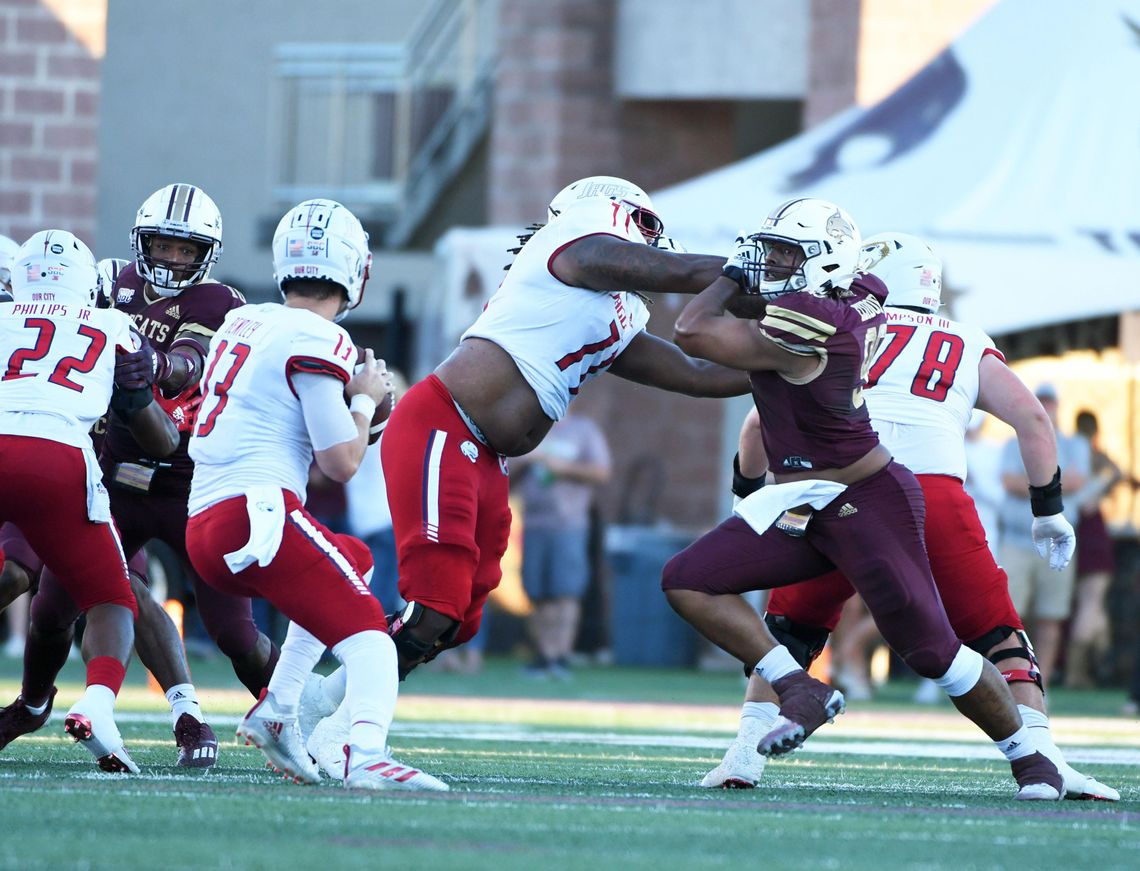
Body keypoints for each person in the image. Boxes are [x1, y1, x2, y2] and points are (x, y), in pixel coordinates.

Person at [299, 176, 751, 762]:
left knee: (456, 619)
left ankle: (321, 702)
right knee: (433, 603)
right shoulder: (570, 245)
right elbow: (681, 273)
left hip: (486, 455)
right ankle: (348, 740)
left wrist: (797, 365)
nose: (649, 244)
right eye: (643, 230)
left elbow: (697, 374)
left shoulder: (610, 309)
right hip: (445, 423)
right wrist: (770, 279)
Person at [662, 203, 1069, 800]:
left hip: (865, 500)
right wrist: (1049, 506)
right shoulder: (862, 310)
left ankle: (1034, 761)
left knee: (932, 651)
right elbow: (1029, 417)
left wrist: (727, 274)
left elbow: (696, 338)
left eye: (784, 254)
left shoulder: (818, 321)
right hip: (814, 497)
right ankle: (799, 693)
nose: (770, 264)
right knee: (688, 579)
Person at [185, 198, 446, 791]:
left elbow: (297, 424)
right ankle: (366, 754)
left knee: (352, 557)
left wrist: (361, 409)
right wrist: (364, 398)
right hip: (257, 516)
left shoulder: (243, 321)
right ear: (356, 270)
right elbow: (341, 463)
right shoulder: (321, 338)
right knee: (373, 640)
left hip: (206, 520)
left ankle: (279, 708)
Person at [1, 186, 256, 767]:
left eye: (183, 250)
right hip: (104, 468)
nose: (169, 260)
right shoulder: (107, 296)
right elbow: (154, 424)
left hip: (190, 478)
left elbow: (187, 366)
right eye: (160, 245)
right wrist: (140, 379)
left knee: (232, 631)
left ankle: (276, 711)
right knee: (74, 600)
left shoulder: (216, 301)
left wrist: (158, 368)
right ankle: (58, 704)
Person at [0, 230, 177, 772]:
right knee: (111, 598)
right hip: (60, 455)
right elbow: (161, 441)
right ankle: (97, 704)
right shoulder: (112, 324)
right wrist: (140, 393)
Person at [998, 383, 1089, 686]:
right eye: (1042, 401)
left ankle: (1043, 680)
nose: (1046, 407)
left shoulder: (1074, 444)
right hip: (1016, 539)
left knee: (1051, 615)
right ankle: (1009, 678)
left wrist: (1034, 481)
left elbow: (1078, 481)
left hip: (1056, 544)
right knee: (1008, 615)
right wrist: (1049, 483)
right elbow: (1009, 481)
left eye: (1050, 402)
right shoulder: (1013, 443)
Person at [515, 402, 612, 679]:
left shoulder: (584, 431)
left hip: (570, 525)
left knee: (565, 592)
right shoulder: (529, 431)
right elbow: (506, 473)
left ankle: (560, 655)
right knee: (536, 592)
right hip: (533, 524)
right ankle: (543, 655)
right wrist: (526, 460)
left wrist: (563, 467)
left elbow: (601, 472)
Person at [1065, 410, 1123, 688]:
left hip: (1075, 531)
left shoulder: (1065, 454)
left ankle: (1089, 665)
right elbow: (1118, 473)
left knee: (1090, 603)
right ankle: (1076, 671)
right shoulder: (1091, 456)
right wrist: (1102, 485)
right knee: (1092, 601)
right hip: (1090, 529)